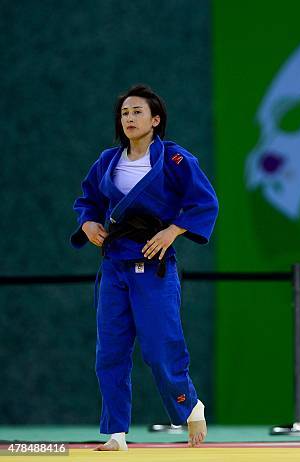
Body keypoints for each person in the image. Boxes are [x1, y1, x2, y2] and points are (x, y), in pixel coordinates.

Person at [70, 84, 218, 451]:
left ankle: (189, 403)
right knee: (111, 350)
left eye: (137, 112)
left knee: (159, 347)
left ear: (155, 120)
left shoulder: (176, 160)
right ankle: (116, 432)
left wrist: (173, 230)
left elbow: (204, 202)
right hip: (115, 264)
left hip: (154, 265)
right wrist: (89, 224)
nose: (130, 118)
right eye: (124, 113)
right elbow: (87, 200)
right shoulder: (107, 160)